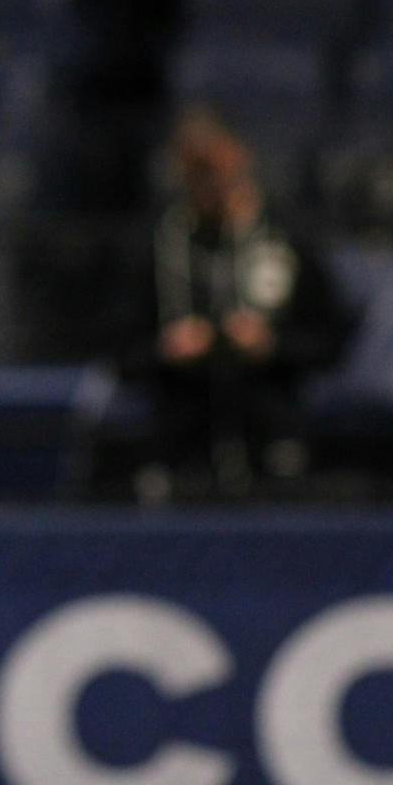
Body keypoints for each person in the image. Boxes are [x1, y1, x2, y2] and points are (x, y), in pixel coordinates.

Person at [116, 108, 347, 498]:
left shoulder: (288, 238)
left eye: (218, 172)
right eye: (197, 174)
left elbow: (332, 340)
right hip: (179, 434)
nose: (211, 187)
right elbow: (120, 352)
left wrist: (271, 344)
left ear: (240, 160)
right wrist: (166, 349)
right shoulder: (156, 246)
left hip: (273, 428)